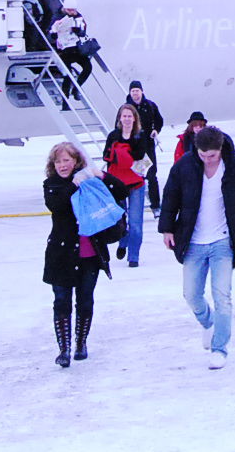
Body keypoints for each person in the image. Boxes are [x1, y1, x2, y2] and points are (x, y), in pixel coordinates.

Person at [159, 126, 235, 370]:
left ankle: (220, 348)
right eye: (203, 155)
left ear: (221, 149)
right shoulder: (184, 167)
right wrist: (167, 229)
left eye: (212, 156)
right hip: (194, 242)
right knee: (191, 295)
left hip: (223, 242)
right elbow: (170, 197)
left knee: (222, 296)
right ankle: (209, 323)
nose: (207, 160)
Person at [42, 141, 112, 368]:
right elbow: (58, 204)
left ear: (76, 162)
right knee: (61, 300)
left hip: (89, 252)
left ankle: (81, 342)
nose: (62, 165)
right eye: (58, 161)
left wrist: (99, 174)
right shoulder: (52, 185)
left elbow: (119, 190)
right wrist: (75, 182)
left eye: (67, 160)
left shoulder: (88, 182)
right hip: (61, 253)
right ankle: (64, 349)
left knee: (85, 300)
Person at [103, 103, 156, 266]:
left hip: (135, 183)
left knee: (136, 222)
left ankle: (134, 256)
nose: (126, 119)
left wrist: (121, 152)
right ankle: (123, 242)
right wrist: (122, 154)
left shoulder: (140, 135)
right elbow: (106, 156)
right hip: (117, 183)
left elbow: (140, 155)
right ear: (119, 118)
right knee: (120, 219)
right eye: (124, 116)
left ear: (134, 118)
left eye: (129, 116)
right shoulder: (113, 136)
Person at [129, 82, 165, 215]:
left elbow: (159, 120)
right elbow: (119, 125)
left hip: (148, 147)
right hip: (135, 148)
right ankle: (136, 207)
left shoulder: (150, 105)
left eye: (137, 90)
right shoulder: (127, 108)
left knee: (152, 175)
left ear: (142, 91)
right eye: (133, 91)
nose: (135, 93)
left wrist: (156, 130)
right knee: (137, 176)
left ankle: (156, 206)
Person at [51, 5, 93, 86]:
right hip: (64, 50)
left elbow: (83, 32)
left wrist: (78, 30)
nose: (71, 12)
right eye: (69, 10)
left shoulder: (78, 17)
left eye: (73, 10)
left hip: (76, 49)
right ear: (64, 9)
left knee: (88, 68)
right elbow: (51, 32)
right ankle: (65, 96)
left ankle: (77, 87)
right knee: (67, 74)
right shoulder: (57, 17)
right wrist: (55, 33)